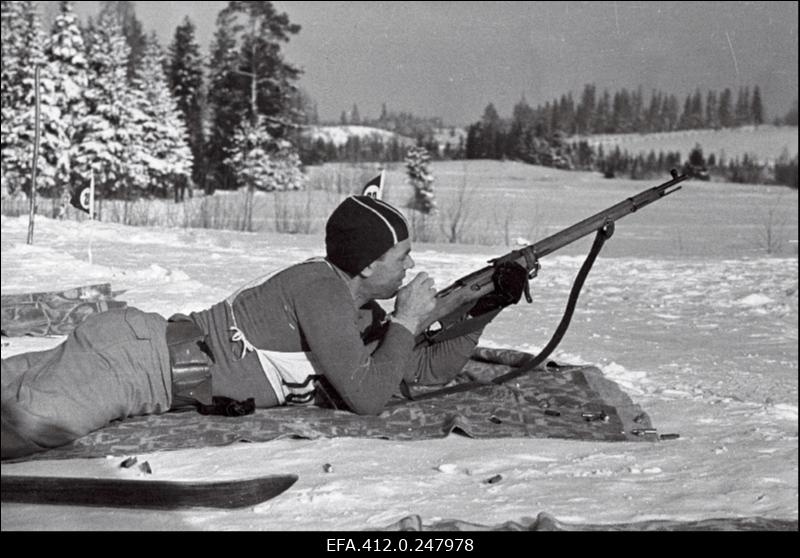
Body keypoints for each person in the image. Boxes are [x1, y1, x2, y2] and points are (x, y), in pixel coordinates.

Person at [3, 194, 527, 460]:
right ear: (368, 264)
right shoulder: (317, 288)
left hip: (138, 358)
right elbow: (369, 396)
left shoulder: (362, 313)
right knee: (25, 430)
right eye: (402, 256)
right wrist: (410, 319)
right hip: (134, 364)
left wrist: (486, 305)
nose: (410, 268)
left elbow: (421, 368)